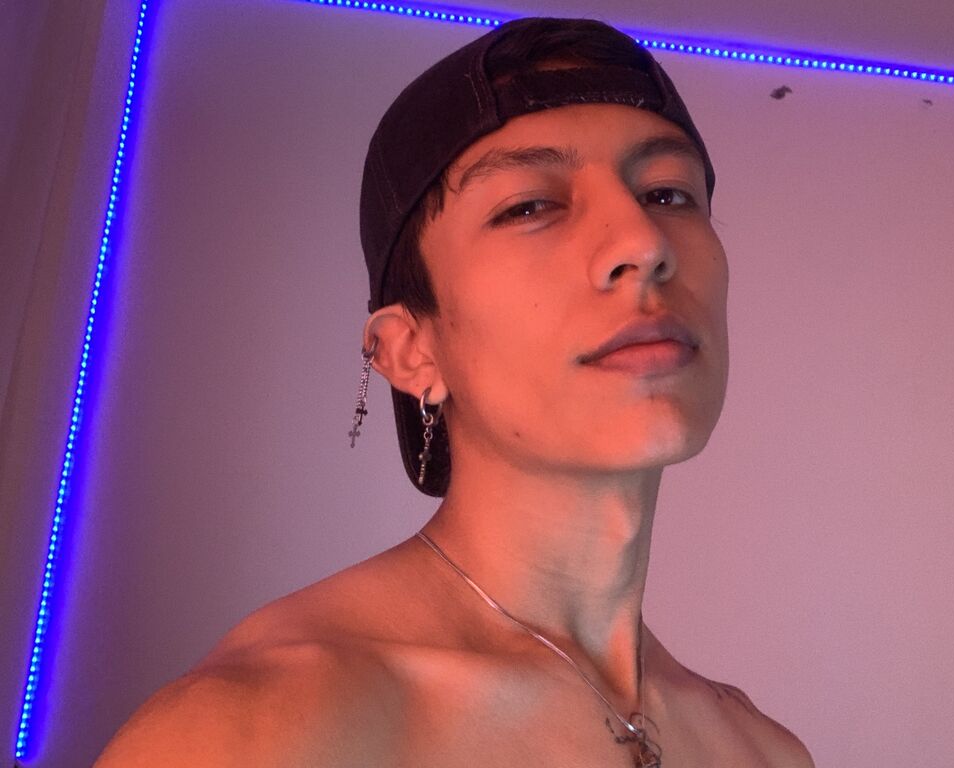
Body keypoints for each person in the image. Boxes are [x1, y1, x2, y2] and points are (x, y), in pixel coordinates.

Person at [97, 17, 814, 768]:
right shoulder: (253, 731)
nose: (643, 242)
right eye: (529, 206)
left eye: (668, 193)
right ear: (411, 351)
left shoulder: (761, 751)